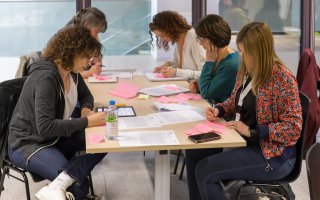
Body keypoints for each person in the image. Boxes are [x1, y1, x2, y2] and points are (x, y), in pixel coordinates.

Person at [185, 22, 302, 200]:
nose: (242, 55)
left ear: (259, 52)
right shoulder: (248, 71)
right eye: (240, 50)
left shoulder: (282, 79)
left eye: (245, 51)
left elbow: (293, 128)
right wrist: (219, 110)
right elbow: (233, 102)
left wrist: (253, 132)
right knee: (194, 154)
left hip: (271, 155)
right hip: (242, 142)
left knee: (205, 171)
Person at [8, 26, 107, 200]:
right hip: (29, 143)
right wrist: (86, 122)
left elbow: (86, 96)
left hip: (53, 137)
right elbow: (45, 127)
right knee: (78, 185)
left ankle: (58, 185)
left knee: (105, 138)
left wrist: (85, 110)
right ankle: (67, 184)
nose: (90, 61)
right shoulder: (46, 77)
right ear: (72, 52)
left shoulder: (72, 72)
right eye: (86, 56)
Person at [189, 14, 240, 104]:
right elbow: (208, 84)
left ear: (211, 39)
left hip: (224, 116)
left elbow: (206, 93)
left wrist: (209, 62)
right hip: (212, 109)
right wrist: (198, 84)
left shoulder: (231, 64)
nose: (200, 43)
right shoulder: (217, 55)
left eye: (201, 39)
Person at [149, 10, 205, 79]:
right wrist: (167, 64)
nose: (163, 39)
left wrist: (177, 72)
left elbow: (204, 73)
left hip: (195, 86)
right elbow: (177, 62)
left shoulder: (194, 39)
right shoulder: (179, 39)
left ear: (170, 28)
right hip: (185, 83)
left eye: (162, 35)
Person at [65, 7, 108, 78]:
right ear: (86, 25)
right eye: (97, 32)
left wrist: (97, 63)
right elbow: (67, 75)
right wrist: (88, 73)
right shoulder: (69, 38)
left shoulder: (83, 35)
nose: (97, 36)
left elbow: (97, 62)